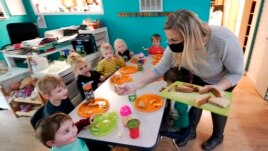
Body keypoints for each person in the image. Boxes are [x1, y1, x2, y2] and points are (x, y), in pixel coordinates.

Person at [115, 9, 244, 150]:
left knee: (217, 109)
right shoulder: (176, 46)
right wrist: (134, 85)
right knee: (195, 105)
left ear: (192, 36)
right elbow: (158, 69)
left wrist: (218, 87)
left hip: (224, 80)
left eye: (174, 40)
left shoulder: (224, 40)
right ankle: (191, 132)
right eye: (168, 39)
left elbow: (236, 73)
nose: (170, 44)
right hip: (199, 77)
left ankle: (218, 136)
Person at [161, 67, 192, 132]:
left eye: (168, 84)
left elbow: (184, 123)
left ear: (177, 86)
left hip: (175, 124)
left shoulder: (180, 103)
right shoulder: (182, 91)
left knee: (156, 128)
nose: (167, 86)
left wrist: (173, 123)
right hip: (171, 115)